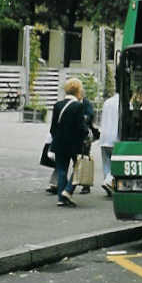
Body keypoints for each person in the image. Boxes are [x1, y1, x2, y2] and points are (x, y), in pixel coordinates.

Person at [50, 78, 87, 207]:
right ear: (78, 90)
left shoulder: (57, 105)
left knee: (61, 170)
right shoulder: (78, 106)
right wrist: (87, 135)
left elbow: (53, 128)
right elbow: (81, 127)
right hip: (74, 144)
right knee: (79, 168)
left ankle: (61, 198)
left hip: (59, 143)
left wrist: (57, 138)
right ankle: (68, 190)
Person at [99, 92, 119, 196]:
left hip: (104, 136)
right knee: (116, 163)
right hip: (116, 137)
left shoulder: (107, 102)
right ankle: (109, 181)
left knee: (106, 162)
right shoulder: (124, 103)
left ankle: (108, 183)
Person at [78, 94, 97, 194]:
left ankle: (86, 184)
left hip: (84, 135)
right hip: (76, 135)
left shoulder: (86, 103)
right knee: (77, 160)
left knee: (84, 159)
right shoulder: (75, 102)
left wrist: (82, 119)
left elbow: (90, 116)